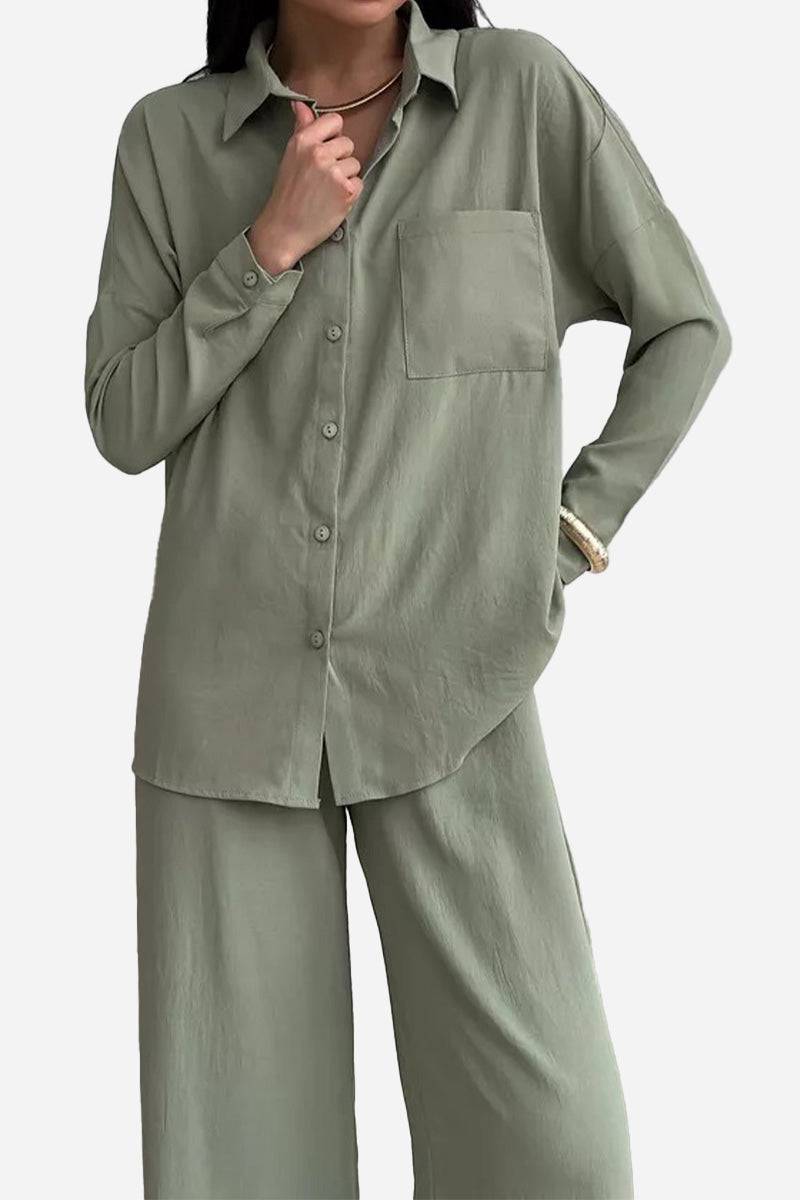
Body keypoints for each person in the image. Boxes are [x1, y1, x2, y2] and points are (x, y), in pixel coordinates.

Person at [84, 1, 731, 1196]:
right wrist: (266, 248)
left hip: (459, 683)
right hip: (226, 706)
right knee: (243, 1166)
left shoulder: (521, 96)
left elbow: (686, 325)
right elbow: (124, 420)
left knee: (554, 1151)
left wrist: (568, 532)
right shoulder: (167, 139)